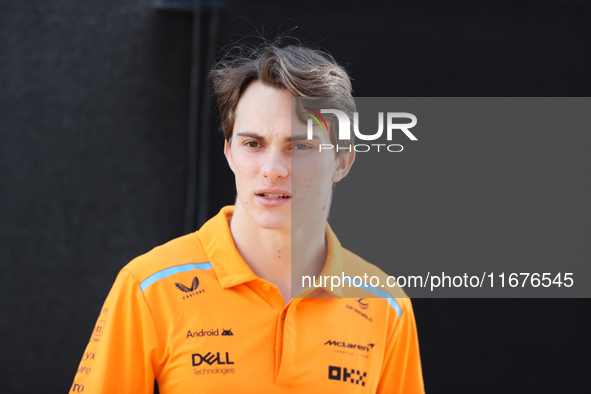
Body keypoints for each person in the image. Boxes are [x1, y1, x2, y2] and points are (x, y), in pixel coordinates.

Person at [70, 42, 425, 393]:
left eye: (299, 146)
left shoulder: (386, 305)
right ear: (229, 153)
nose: (272, 170)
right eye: (253, 144)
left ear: (343, 161)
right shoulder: (149, 288)